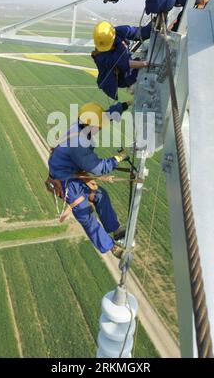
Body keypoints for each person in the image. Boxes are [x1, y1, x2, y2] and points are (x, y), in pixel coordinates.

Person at [47, 101, 131, 258]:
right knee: (86, 214)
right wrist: (117, 159)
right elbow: (98, 168)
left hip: (73, 172)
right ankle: (111, 247)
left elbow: (104, 116)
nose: (100, 128)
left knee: (101, 195)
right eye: (98, 127)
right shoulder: (78, 143)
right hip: (66, 181)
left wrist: (123, 105)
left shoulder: (83, 123)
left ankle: (115, 229)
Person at [92, 21, 151, 100]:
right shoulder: (101, 57)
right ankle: (132, 84)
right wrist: (146, 64)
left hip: (127, 62)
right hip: (119, 77)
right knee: (141, 74)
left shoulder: (118, 32)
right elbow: (125, 63)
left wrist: (152, 26)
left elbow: (140, 33)